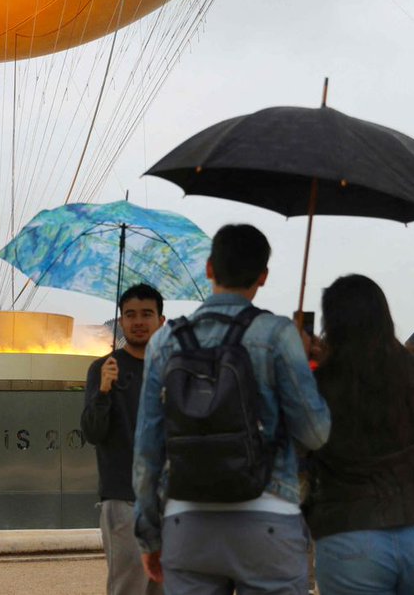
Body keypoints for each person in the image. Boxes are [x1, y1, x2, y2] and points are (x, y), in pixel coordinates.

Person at [133, 223, 330, 593]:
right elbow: (315, 434)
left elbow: (147, 449)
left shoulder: (165, 341)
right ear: (264, 276)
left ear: (209, 268)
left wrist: (149, 535)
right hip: (268, 518)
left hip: (185, 522)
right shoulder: (277, 334)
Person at [305, 274, 414, 594]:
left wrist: (299, 361)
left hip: (349, 530)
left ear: (330, 321)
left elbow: (303, 441)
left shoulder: (319, 381)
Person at [82, 284, 166, 595]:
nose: (138, 321)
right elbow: (92, 433)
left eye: (147, 314)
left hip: (168, 498)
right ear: (121, 320)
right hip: (123, 497)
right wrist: (104, 391)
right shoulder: (104, 368)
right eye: (130, 315)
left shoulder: (171, 369)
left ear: (162, 320)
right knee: (129, 585)